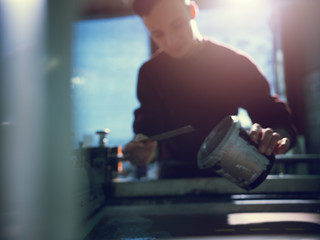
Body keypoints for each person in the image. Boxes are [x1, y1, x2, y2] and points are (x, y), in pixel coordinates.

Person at [122, 0, 297, 178]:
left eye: (177, 25)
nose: (171, 40)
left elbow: (273, 116)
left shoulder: (234, 64)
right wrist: (144, 146)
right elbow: (149, 124)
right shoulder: (150, 73)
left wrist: (275, 138)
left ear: (192, 11)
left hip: (227, 173)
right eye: (158, 34)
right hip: (173, 175)